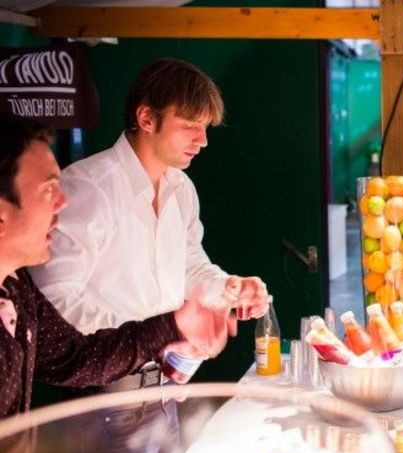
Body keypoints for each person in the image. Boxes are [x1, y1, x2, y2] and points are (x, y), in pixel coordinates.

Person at [30, 58, 268, 391]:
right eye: (189, 125)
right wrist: (156, 334)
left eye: (205, 127)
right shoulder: (88, 188)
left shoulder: (181, 187)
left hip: (167, 382)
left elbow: (188, 265)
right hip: (101, 383)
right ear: (146, 118)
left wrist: (229, 287)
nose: (203, 140)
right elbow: (55, 306)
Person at [0, 114, 235, 418]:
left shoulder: (17, 288)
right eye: (48, 189)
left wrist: (174, 325)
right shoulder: (93, 184)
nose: (63, 202)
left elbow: (76, 357)